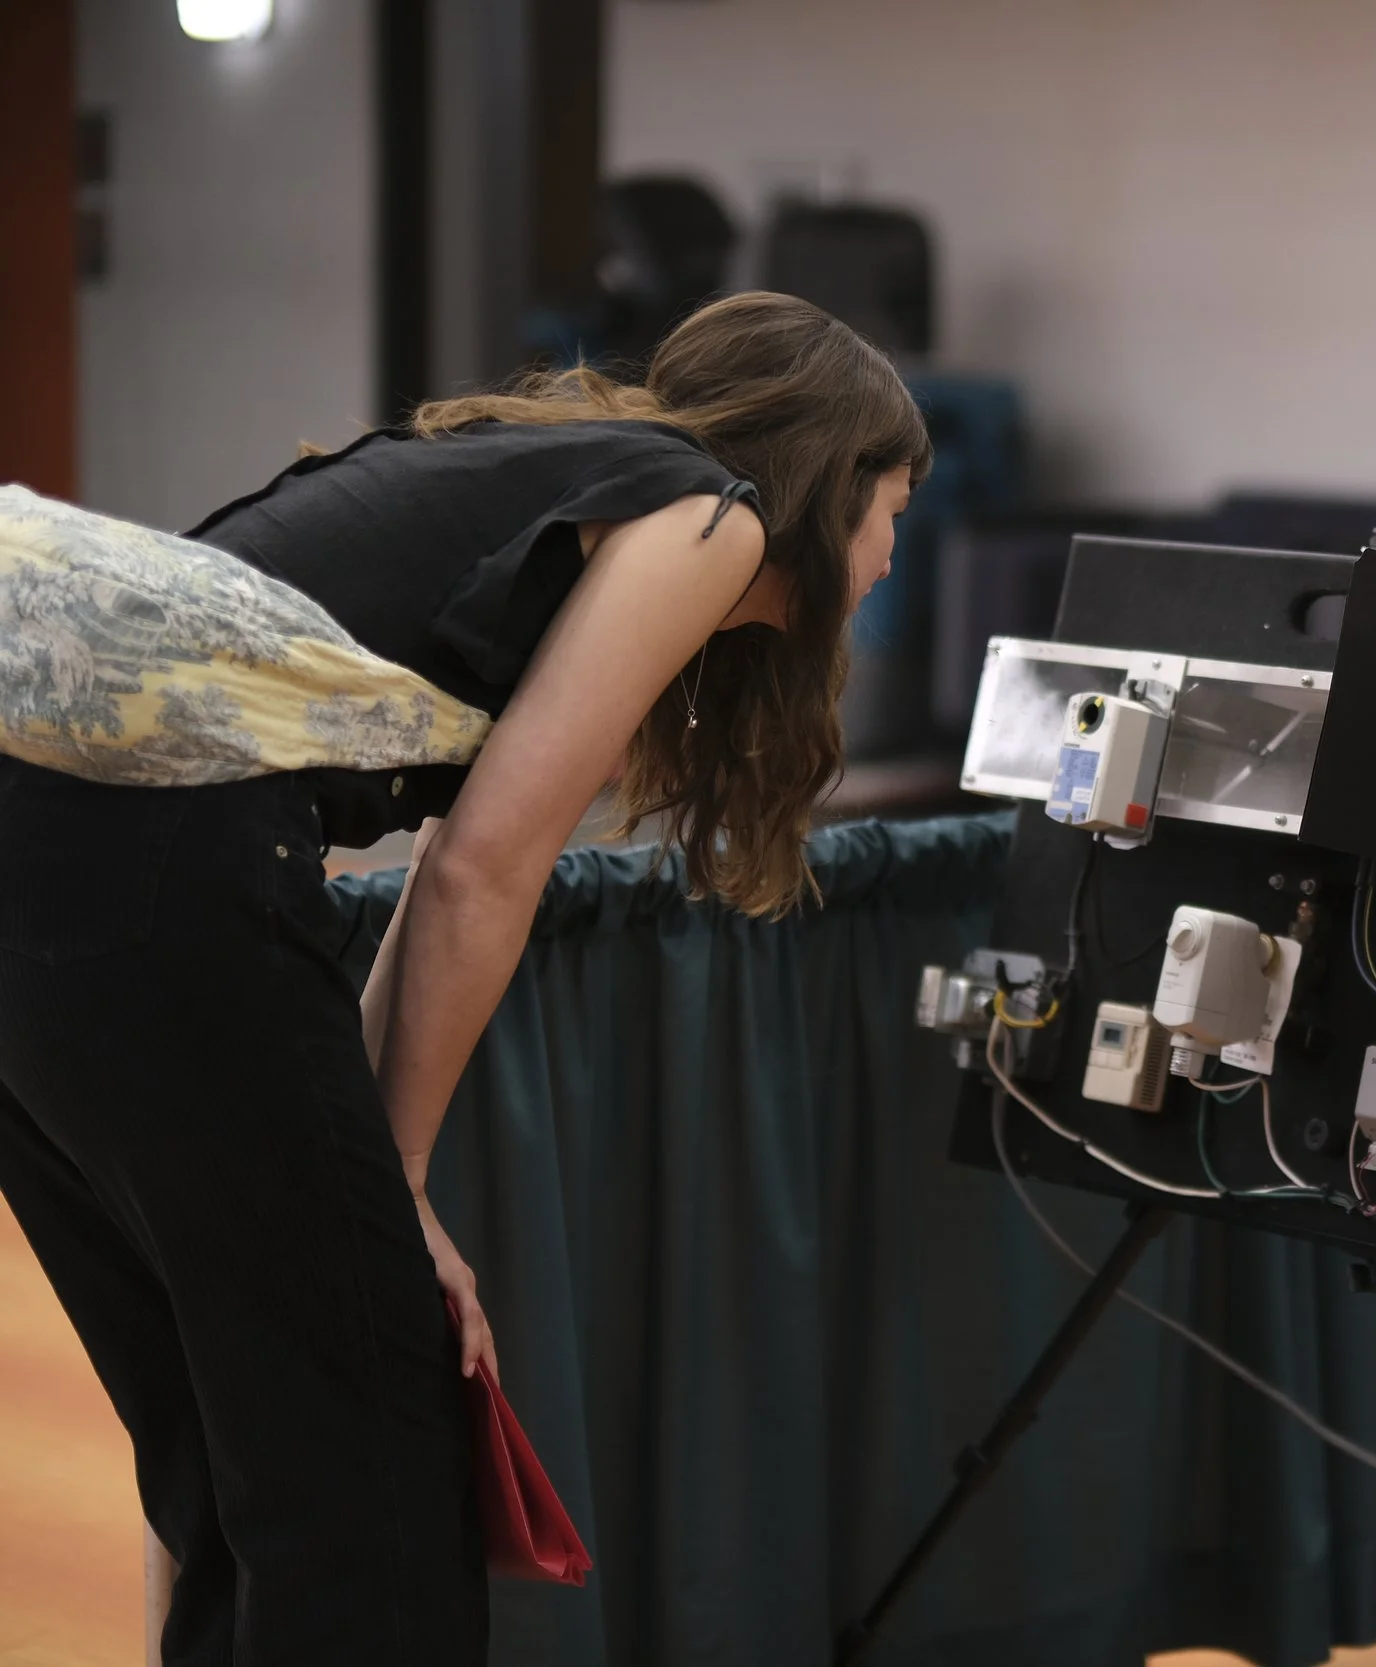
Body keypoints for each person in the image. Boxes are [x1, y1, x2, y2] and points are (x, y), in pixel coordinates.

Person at [0, 291, 929, 1665]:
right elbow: (485, 870)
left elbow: (449, 861)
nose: (894, 554)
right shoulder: (709, 516)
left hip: (44, 840)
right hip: (147, 842)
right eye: (896, 507)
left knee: (230, 1440)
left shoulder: (564, 481)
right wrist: (402, 1185)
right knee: (368, 1458)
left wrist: (390, 1182)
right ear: (831, 477)